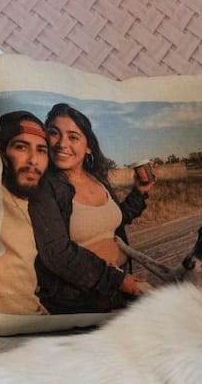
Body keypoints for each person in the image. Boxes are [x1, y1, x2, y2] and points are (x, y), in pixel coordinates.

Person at [29, 102, 153, 314]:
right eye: (54, 133)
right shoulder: (44, 187)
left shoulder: (97, 179)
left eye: (73, 137)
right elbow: (57, 253)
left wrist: (139, 193)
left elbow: (113, 222)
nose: (62, 144)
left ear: (88, 146)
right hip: (79, 298)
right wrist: (117, 281)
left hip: (116, 286)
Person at [0, 110, 51, 314]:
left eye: (41, 150)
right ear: (3, 156)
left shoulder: (37, 204)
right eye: (21, 147)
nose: (33, 160)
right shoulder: (3, 211)